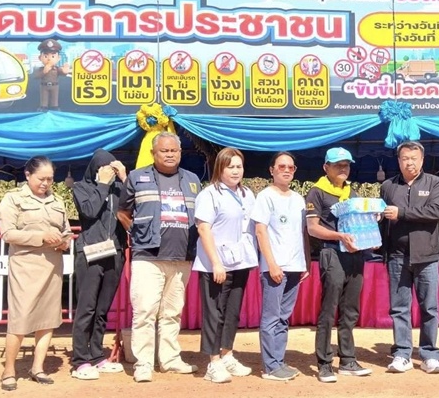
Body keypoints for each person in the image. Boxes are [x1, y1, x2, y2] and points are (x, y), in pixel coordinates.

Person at [117, 132, 201, 383]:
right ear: (154, 153)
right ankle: (143, 363)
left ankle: (170, 359)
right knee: (145, 311)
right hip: (148, 256)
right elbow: (122, 212)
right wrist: (136, 232)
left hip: (182, 256)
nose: (170, 154)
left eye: (174, 150)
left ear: (180, 153)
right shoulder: (136, 177)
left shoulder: (193, 180)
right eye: (164, 151)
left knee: (172, 312)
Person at [0, 156, 73, 391]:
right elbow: (8, 234)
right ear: (28, 175)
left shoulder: (57, 200)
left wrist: (64, 242)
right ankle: (9, 370)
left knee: (48, 319)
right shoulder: (12, 199)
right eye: (41, 179)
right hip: (25, 266)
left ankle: (37, 368)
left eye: (50, 179)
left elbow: (67, 231)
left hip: (52, 265)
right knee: (20, 319)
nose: (46, 183)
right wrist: (41, 237)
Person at [305, 147, 372, 384]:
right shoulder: (317, 192)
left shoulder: (352, 193)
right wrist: (339, 236)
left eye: (346, 164)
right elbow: (313, 228)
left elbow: (359, 223)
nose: (343, 168)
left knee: (350, 309)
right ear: (326, 167)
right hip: (331, 252)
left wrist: (370, 232)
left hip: (354, 255)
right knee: (329, 308)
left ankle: (348, 360)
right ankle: (324, 363)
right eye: (338, 165)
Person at [380, 141, 439, 374]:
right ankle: (402, 354)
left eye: (414, 158)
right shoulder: (388, 186)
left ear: (422, 160)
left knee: (429, 307)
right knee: (399, 308)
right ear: (398, 161)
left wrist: (402, 213)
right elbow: (383, 221)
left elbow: (435, 211)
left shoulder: (435, 183)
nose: (409, 162)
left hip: (427, 256)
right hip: (397, 256)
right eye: (405, 158)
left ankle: (429, 355)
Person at [193, 147, 257, 384]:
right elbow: (203, 228)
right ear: (220, 168)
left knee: (232, 312)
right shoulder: (209, 194)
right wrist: (216, 263)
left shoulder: (247, 194)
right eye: (230, 167)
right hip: (216, 264)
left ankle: (227, 354)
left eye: (239, 166)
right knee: (215, 312)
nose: (235, 171)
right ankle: (213, 362)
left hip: (241, 261)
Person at [251, 152, 310, 381]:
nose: (286, 170)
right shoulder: (265, 197)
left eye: (290, 167)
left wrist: (304, 263)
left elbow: (302, 233)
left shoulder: (298, 199)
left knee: (284, 317)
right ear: (272, 170)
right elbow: (260, 231)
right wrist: (271, 264)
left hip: (295, 266)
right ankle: (270, 366)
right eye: (282, 166)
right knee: (271, 317)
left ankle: (279, 360)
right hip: (275, 267)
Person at [70, 149, 128, 380]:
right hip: (90, 252)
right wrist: (102, 185)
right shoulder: (81, 188)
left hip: (115, 252)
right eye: (104, 168)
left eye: (112, 168)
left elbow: (135, 205)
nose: (108, 172)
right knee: (87, 307)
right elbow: (89, 210)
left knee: (103, 308)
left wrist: (124, 178)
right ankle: (80, 360)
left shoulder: (119, 188)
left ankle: (96, 355)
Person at [33, 39, 70, 111]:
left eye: (53, 56)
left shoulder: (56, 69)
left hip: (54, 86)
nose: (49, 59)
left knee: (54, 98)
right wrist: (44, 71)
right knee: (44, 98)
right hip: (44, 86)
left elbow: (62, 73)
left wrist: (65, 71)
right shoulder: (41, 69)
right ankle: (43, 107)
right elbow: (36, 76)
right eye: (46, 56)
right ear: (40, 58)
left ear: (58, 58)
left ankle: (54, 107)